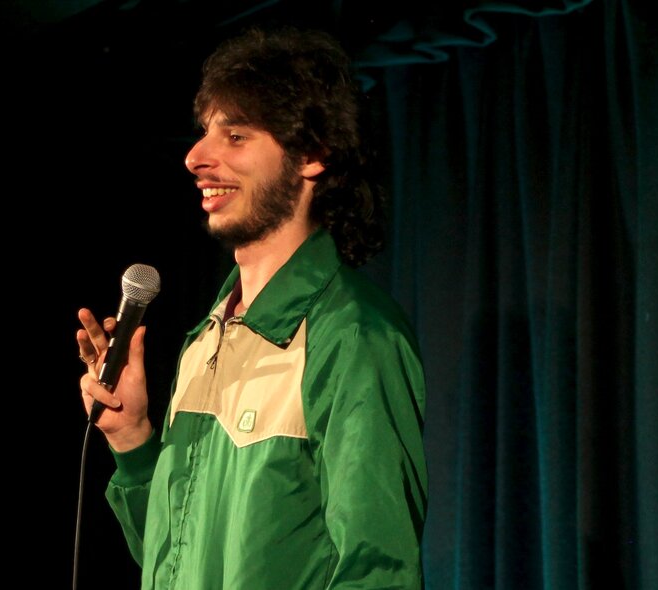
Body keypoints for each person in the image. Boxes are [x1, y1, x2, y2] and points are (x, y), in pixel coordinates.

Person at [76, 25, 427, 589]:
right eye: (205, 133)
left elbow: (378, 573)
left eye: (235, 135)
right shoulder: (206, 339)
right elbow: (169, 562)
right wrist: (133, 440)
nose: (196, 157)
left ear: (312, 155)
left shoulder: (353, 335)